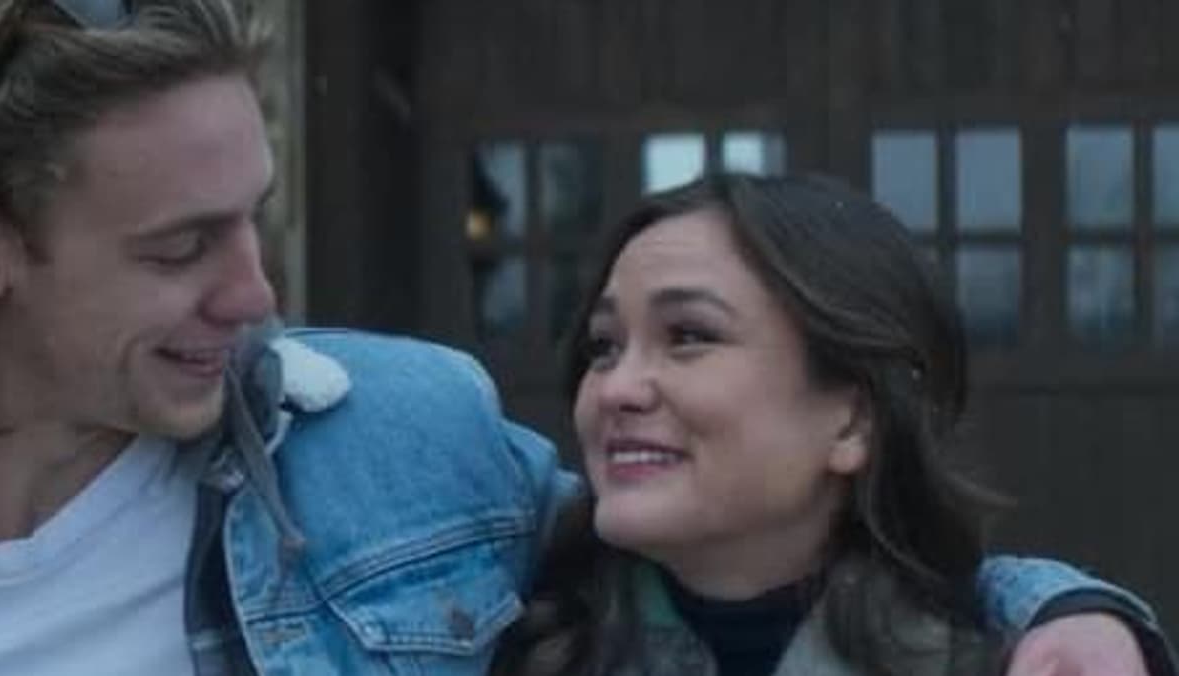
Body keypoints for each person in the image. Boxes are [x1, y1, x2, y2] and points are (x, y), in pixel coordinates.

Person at [0, 1, 1167, 674]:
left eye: (253, 220)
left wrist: (1057, 610)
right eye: (180, 248)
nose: (255, 293)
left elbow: (747, 548)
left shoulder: (393, 443)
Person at [495, 174, 1176, 675]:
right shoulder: (494, 638)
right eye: (603, 346)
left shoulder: (998, 658)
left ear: (855, 419)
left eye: (689, 336)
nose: (616, 388)